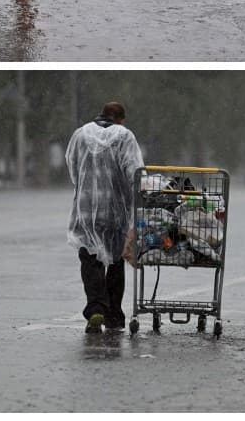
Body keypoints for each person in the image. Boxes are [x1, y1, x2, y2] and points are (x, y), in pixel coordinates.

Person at [66, 102, 145, 333]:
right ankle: (113, 315)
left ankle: (95, 308)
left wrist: (86, 185)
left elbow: (72, 165)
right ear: (121, 119)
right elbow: (134, 171)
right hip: (114, 210)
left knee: (91, 260)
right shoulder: (124, 136)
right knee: (116, 260)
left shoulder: (80, 134)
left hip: (86, 209)